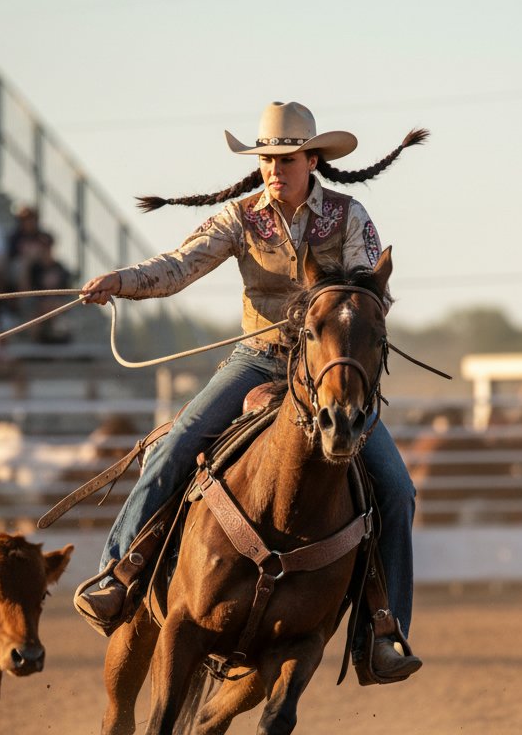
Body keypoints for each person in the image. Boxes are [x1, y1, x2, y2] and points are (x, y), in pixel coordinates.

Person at [76, 101, 425, 682]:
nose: (274, 169)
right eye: (266, 159)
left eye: (286, 160)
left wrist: (338, 318)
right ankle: (121, 571)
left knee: (396, 491)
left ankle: (383, 631)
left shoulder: (349, 216)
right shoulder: (241, 219)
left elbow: (371, 293)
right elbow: (180, 265)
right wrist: (122, 282)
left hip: (329, 372)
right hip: (257, 360)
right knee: (178, 442)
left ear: (312, 161)